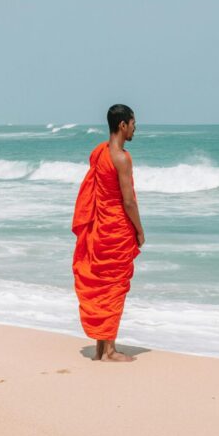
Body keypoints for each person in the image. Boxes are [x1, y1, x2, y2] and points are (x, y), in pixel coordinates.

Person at [71, 104, 145, 362]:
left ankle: (101, 347)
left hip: (100, 228)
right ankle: (110, 351)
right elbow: (128, 202)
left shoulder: (99, 152)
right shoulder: (122, 157)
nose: (136, 128)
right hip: (116, 229)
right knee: (113, 288)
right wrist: (140, 230)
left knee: (103, 286)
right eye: (134, 123)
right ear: (123, 125)